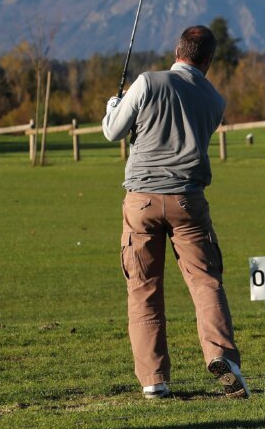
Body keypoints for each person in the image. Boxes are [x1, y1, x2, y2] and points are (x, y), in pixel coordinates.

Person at [103, 25, 249, 398]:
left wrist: (113, 107)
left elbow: (113, 132)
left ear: (177, 50)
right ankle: (222, 357)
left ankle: (154, 379)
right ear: (208, 60)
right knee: (205, 282)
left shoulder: (148, 82)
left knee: (144, 289)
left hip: (142, 201)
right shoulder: (215, 101)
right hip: (188, 200)